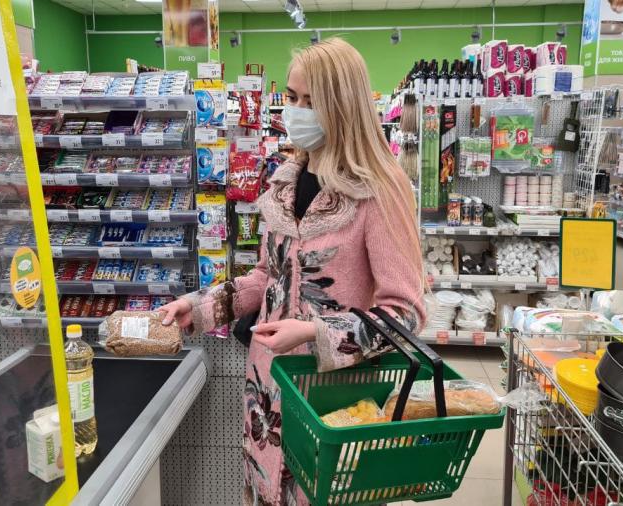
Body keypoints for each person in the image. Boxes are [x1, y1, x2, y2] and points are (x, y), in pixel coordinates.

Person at [159, 37, 426, 505]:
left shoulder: (380, 190)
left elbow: (405, 314)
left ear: (342, 106)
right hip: (268, 394)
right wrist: (197, 308)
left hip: (336, 404)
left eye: (311, 101)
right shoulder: (285, 181)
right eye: (292, 97)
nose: (296, 112)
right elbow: (268, 277)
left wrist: (315, 332)